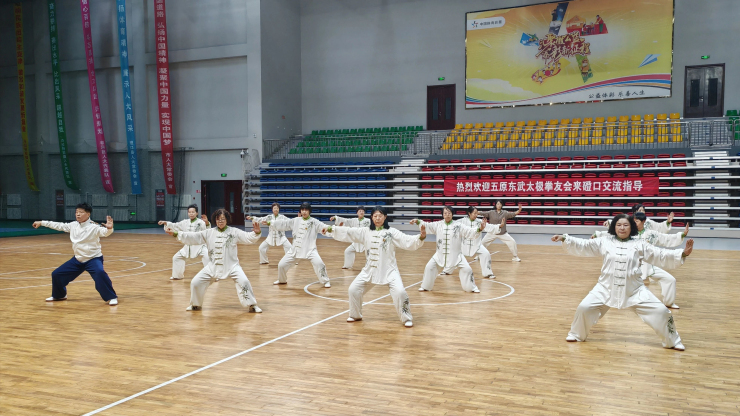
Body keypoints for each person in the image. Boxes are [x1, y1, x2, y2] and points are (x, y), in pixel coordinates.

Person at [553, 214, 694, 351]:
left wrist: (682, 253)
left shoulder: (639, 244)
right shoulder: (605, 241)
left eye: (625, 225)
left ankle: (673, 341)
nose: (622, 228)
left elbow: (659, 254)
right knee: (584, 307)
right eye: (619, 225)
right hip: (605, 287)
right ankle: (576, 334)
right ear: (614, 227)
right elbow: (585, 244)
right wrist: (565, 238)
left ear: (631, 227)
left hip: (634, 289)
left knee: (661, 311)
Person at [322, 206, 425, 327]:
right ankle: (355, 315)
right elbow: (349, 232)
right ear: (371, 217)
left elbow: (406, 240)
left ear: (385, 217)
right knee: (353, 289)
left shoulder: (391, 232)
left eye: (380, 216)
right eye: (375, 216)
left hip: (389, 270)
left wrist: (421, 237)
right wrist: (331, 229)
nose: (377, 218)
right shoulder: (365, 231)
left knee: (400, 292)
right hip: (369, 270)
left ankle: (406, 318)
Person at [165, 209, 263, 312]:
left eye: (223, 219)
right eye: (218, 219)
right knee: (195, 282)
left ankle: (252, 305)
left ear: (227, 220)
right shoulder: (209, 232)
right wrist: (176, 233)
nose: (220, 221)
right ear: (215, 220)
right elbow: (193, 236)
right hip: (212, 266)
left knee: (244, 281)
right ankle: (195, 304)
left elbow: (247, 237)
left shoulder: (234, 232)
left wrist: (256, 233)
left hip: (232, 266)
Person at [594, 212, 689, 308]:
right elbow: (612, 233)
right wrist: (598, 234)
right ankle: (612, 300)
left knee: (670, 279)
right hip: (631, 266)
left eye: (637, 221)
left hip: (649, 266)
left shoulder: (651, 234)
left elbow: (665, 238)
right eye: (633, 221)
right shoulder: (629, 233)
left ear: (643, 221)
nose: (634, 223)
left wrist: (682, 235)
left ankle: (669, 302)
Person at [32, 202, 118, 305]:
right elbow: (58, 225)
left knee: (100, 273)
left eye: (81, 212)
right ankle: (59, 295)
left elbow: (105, 233)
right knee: (57, 274)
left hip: (93, 259)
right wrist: (42, 222)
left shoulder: (94, 227)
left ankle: (112, 297)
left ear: (88, 214)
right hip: (77, 259)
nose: (78, 214)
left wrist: (109, 228)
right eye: (76, 212)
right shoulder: (73, 225)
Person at [411, 206, 488, 293]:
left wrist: (480, 228)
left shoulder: (458, 226)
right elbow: (427, 225)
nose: (447, 215)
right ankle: (425, 286)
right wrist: (417, 221)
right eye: (445, 213)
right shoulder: (438, 224)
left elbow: (469, 231)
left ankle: (471, 288)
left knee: (467, 269)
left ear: (452, 214)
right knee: (429, 267)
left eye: (449, 213)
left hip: (456, 255)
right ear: (442, 215)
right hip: (439, 254)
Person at [265, 202, 331, 287]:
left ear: (309, 211)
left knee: (319, 264)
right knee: (281, 265)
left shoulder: (314, 222)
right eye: (302, 210)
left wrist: (329, 228)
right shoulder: (296, 220)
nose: (304, 212)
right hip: (295, 250)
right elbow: (284, 224)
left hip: (310, 249)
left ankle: (325, 281)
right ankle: (282, 280)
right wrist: (271, 223)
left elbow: (323, 227)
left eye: (306, 210)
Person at [158, 204, 211, 281]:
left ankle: (211, 275)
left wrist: (207, 223)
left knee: (207, 257)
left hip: (199, 246)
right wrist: (165, 223)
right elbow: (175, 225)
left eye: (193, 212)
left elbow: (207, 231)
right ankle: (177, 276)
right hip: (188, 246)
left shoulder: (201, 222)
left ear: (197, 213)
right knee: (176, 258)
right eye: (189, 212)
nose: (191, 214)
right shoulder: (185, 222)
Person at [459, 206, 505, 279]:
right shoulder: (462, 221)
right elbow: (453, 225)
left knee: (486, 254)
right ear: (469, 213)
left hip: (476, 244)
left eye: (476, 213)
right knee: (453, 254)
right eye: (474, 213)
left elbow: (490, 227)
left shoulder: (479, 222)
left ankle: (488, 273)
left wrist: (500, 226)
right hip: (464, 245)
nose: (476, 215)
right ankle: (446, 270)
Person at [602, 203, 673, 233]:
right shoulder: (630, 220)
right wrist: (609, 222)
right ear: (634, 212)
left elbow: (659, 227)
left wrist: (668, 222)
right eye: (640, 210)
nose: (642, 212)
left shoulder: (648, 221)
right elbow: (619, 223)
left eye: (643, 210)